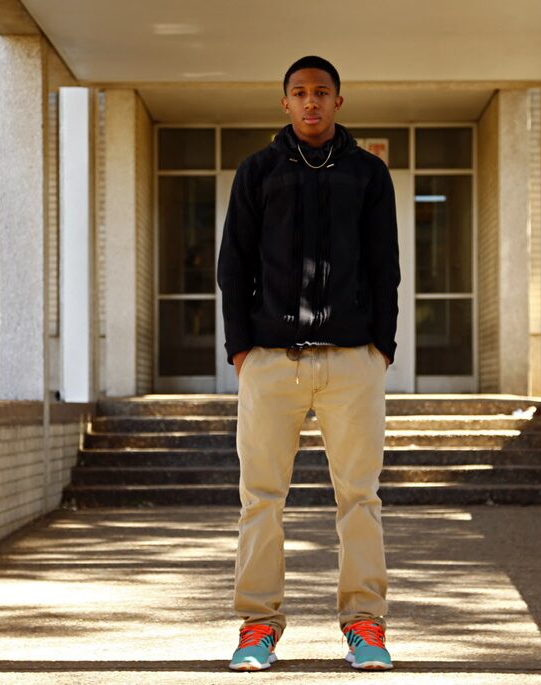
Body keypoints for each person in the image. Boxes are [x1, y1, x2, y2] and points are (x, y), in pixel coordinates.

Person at [216, 55, 400, 672]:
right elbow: (233, 266)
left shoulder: (368, 174)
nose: (311, 102)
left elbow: (386, 266)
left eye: (322, 92)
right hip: (272, 362)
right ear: (285, 103)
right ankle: (257, 627)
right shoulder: (258, 172)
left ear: (339, 101)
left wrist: (382, 348)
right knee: (262, 498)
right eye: (300, 93)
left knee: (360, 499)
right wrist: (242, 349)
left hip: (353, 364)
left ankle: (365, 625)